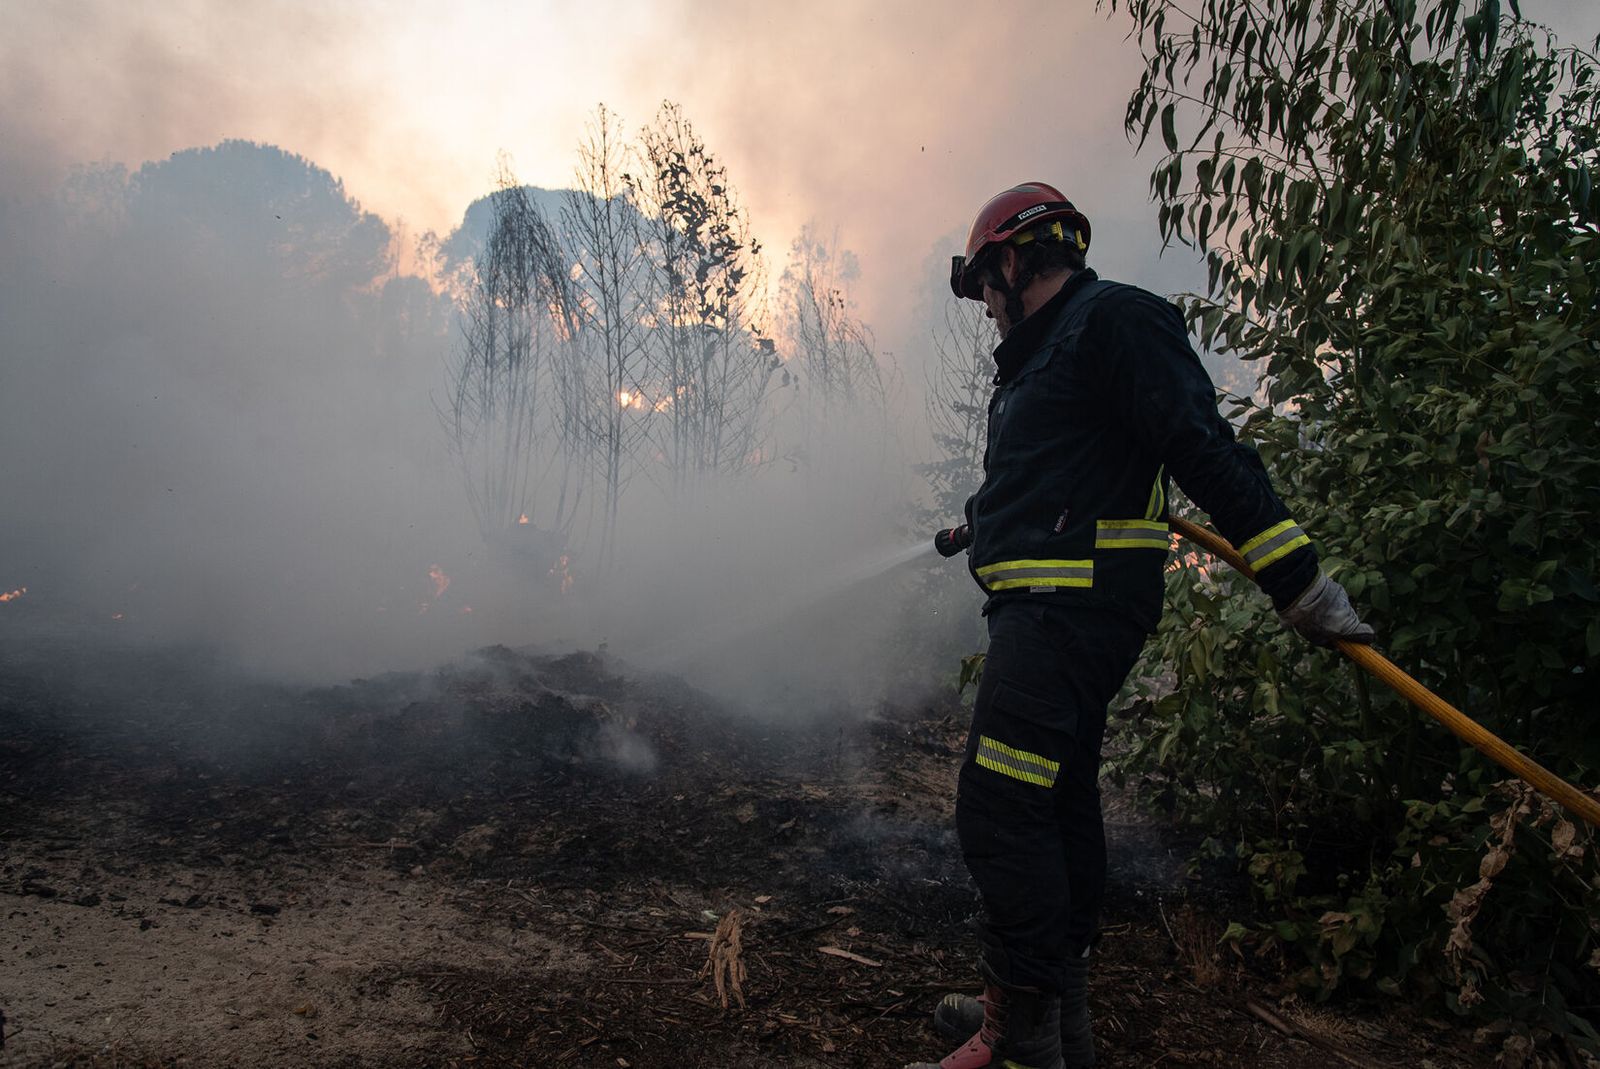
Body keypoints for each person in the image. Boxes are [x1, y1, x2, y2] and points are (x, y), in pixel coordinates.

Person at [911, 183, 1374, 1069]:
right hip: (1048, 611)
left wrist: (1298, 581)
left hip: (1068, 617)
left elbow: (1203, 446)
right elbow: (1062, 470)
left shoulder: (1114, 323)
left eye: (984, 288)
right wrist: (982, 519)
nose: (987, 311)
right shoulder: (1049, 355)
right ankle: (1052, 1009)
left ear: (1011, 260)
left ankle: (1021, 1038)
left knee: (1001, 810)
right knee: (1054, 800)